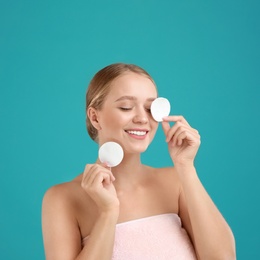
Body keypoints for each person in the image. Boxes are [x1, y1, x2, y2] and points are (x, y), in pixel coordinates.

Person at [42, 63, 236, 259]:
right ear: (95, 117)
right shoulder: (63, 199)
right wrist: (108, 212)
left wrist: (186, 167)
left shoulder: (176, 182)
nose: (143, 118)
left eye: (151, 108)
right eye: (126, 107)